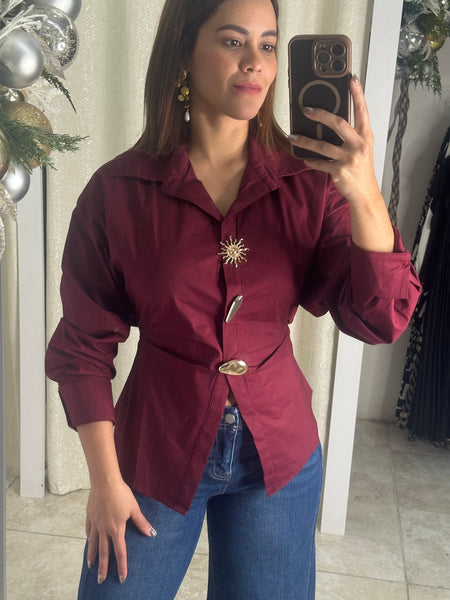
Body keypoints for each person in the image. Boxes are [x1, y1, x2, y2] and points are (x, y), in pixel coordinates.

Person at [45, 0, 421, 598]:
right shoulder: (118, 192)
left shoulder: (310, 183)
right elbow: (83, 345)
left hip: (278, 452)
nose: (256, 63)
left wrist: (365, 192)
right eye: (232, 41)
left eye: (268, 45)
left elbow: (380, 320)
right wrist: (104, 481)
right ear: (183, 53)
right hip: (157, 445)